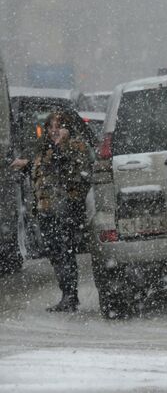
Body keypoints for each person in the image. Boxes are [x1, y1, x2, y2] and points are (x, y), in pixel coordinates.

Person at [26, 112, 91, 312]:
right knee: (54, 252)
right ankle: (67, 293)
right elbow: (41, 173)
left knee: (65, 251)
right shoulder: (43, 148)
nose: (54, 130)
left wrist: (62, 145)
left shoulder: (76, 146)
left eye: (59, 126)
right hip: (47, 210)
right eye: (50, 126)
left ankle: (70, 296)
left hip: (66, 209)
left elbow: (76, 173)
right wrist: (26, 165)